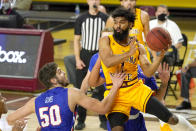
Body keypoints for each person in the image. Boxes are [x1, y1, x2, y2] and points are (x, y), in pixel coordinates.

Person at [99, 7, 195, 131]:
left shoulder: (138, 46)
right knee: (117, 129)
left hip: (135, 89)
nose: (117, 26)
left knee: (172, 119)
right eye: (115, 22)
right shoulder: (105, 41)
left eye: (122, 22)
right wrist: (128, 53)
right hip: (115, 92)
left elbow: (148, 72)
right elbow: (107, 62)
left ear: (131, 24)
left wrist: (160, 56)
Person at [6, 62, 125, 131]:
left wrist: (18, 126)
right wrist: (115, 86)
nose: (63, 72)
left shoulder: (35, 101)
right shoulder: (71, 93)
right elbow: (103, 108)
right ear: (53, 80)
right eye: (59, 72)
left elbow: (10, 119)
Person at [86, 52, 171, 131]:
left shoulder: (145, 73)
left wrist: (164, 83)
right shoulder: (113, 69)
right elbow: (92, 83)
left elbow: (158, 98)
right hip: (116, 119)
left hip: (137, 121)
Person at [73, 0, 108, 129]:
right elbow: (76, 40)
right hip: (85, 55)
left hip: (100, 56)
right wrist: (77, 59)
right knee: (81, 89)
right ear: (88, 1)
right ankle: (80, 120)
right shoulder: (81, 18)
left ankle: (103, 119)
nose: (94, 1)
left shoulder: (106, 18)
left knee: (101, 90)